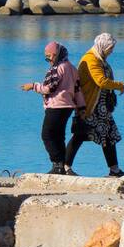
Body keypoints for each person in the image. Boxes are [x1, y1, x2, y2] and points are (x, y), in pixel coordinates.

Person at [64, 32, 124, 176]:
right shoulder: (91, 59)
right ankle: (65, 167)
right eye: (110, 48)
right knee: (80, 134)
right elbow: (101, 81)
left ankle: (114, 169)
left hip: (102, 108)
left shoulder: (101, 59)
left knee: (109, 135)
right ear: (102, 46)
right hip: (90, 106)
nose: (112, 51)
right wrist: (120, 86)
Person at [20, 42, 84, 174]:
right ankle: (61, 166)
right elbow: (78, 90)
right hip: (68, 107)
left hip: (56, 106)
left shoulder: (57, 68)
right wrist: (81, 107)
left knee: (47, 135)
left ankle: (57, 164)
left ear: (55, 55)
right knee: (59, 136)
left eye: (48, 57)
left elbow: (49, 88)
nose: (48, 60)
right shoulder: (72, 68)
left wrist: (33, 86)